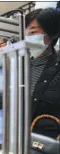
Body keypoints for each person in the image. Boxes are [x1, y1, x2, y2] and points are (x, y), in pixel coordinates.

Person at [25, 8, 60, 139]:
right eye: (25, 33)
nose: (28, 37)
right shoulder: (21, 65)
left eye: (33, 31)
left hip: (48, 142)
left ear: (52, 34)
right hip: (19, 140)